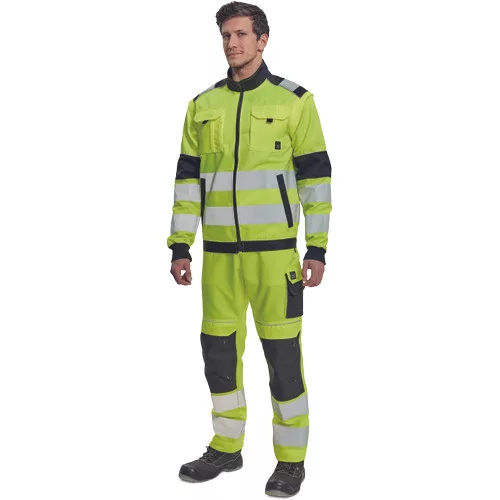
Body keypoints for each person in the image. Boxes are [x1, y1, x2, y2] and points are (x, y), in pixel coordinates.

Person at [167, 2, 331, 496]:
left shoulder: (295, 101)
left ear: (262, 40)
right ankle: (226, 446)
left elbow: (316, 179)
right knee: (218, 356)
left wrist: (317, 247)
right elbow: (187, 182)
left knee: (283, 360)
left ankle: (291, 461)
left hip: (275, 258)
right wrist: (180, 244)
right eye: (226, 34)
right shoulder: (202, 105)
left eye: (241, 34)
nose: (232, 43)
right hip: (219, 258)